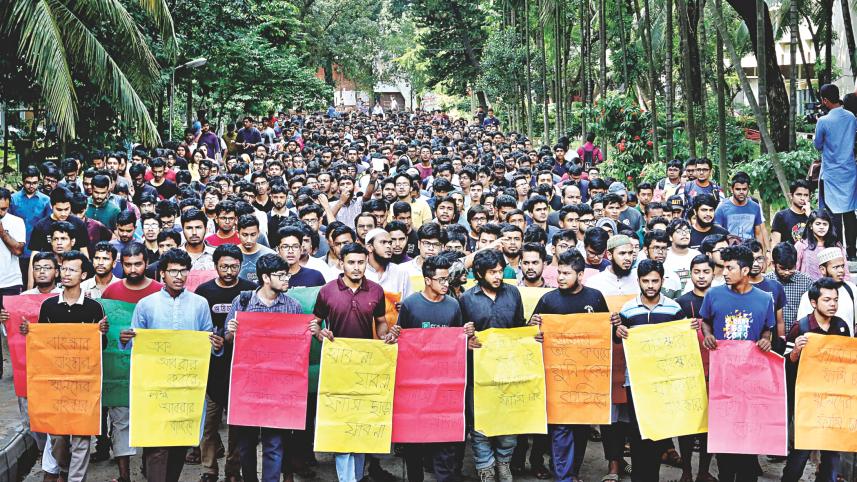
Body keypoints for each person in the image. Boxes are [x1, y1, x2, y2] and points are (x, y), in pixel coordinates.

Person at [119, 248, 224, 482]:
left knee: (179, 442)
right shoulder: (146, 305)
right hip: (154, 387)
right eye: (173, 271)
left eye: (183, 271)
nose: (179, 276)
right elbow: (135, 345)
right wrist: (125, 340)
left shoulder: (199, 304)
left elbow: (206, 342)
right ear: (162, 274)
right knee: (156, 444)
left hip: (186, 387)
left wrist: (216, 345)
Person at [310, 242, 398, 482]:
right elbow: (315, 322)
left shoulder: (376, 291)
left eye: (361, 262)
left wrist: (384, 336)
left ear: (366, 262)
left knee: (360, 424)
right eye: (351, 262)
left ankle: (356, 477)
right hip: (337, 366)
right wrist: (320, 333)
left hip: (365, 366)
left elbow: (381, 321)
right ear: (341, 263)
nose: (357, 267)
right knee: (341, 424)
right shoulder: (327, 291)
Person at [20, 251, 108, 482]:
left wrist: (101, 333)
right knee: (58, 436)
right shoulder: (49, 306)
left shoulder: (94, 308)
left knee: (81, 437)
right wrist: (29, 333)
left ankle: (76, 479)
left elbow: (101, 347)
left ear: (83, 275)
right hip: (55, 382)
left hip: (84, 383)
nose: (66, 274)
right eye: (64, 269)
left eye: (72, 270)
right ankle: (64, 469)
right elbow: (42, 344)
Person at [530, 249, 612, 482]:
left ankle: (572, 472)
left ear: (581, 275)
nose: (560, 277)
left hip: (587, 379)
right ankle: (564, 477)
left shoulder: (595, 298)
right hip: (558, 379)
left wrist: (615, 323)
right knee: (561, 428)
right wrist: (532, 327)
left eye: (567, 273)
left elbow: (606, 333)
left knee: (580, 428)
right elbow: (531, 333)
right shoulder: (548, 300)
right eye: (559, 272)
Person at [223, 254, 303, 482]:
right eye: (281, 275)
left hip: (278, 387)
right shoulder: (243, 302)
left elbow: (298, 347)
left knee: (274, 442)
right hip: (247, 385)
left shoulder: (293, 306)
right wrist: (232, 332)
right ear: (266, 278)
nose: (286, 279)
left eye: (287, 275)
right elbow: (227, 339)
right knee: (246, 443)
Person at [699, 245, 775, 482]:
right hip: (722, 378)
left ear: (745, 270)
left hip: (752, 381)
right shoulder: (713, 295)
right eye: (723, 267)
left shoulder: (765, 299)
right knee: (724, 436)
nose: (724, 272)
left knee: (749, 434)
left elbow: (767, 329)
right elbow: (705, 321)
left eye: (730, 268)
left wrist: (766, 340)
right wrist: (707, 335)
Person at [614, 259, 688, 482]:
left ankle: (652, 477)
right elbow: (617, 339)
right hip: (636, 382)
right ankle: (639, 477)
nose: (650, 285)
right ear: (638, 281)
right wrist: (617, 331)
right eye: (645, 281)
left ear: (662, 281)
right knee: (637, 433)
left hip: (664, 382)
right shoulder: (627, 309)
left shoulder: (674, 309)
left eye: (655, 281)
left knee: (657, 432)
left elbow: (682, 342)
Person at [397, 255, 464, 482]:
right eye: (441, 279)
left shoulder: (453, 305)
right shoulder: (410, 304)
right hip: (415, 386)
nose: (446, 284)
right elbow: (401, 340)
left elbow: (457, 342)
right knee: (414, 442)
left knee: (444, 442)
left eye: (448, 279)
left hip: (444, 385)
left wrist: (467, 337)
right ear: (427, 280)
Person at [460, 249, 526, 482]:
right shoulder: (466, 299)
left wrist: (532, 333)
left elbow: (519, 327)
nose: (498, 276)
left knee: (509, 420)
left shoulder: (513, 293)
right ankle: (485, 467)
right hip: (478, 372)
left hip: (508, 369)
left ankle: (503, 463)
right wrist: (467, 340)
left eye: (500, 271)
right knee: (480, 422)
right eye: (492, 272)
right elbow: (458, 335)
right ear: (479, 274)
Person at [194, 245, 256, 482]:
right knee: (209, 424)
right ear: (215, 266)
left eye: (234, 266)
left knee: (237, 425)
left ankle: (233, 470)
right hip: (211, 368)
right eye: (224, 266)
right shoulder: (204, 292)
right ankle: (209, 470)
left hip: (242, 368)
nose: (229, 271)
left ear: (241, 266)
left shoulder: (250, 291)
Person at [781, 277, 849, 482]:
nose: (832, 304)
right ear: (813, 302)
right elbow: (786, 364)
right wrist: (796, 351)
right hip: (807, 400)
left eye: (835, 300)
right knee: (802, 449)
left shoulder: (841, 326)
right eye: (827, 300)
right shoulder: (801, 327)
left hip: (834, 398)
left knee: (832, 449)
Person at [674, 255, 717, 482]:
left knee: (709, 425)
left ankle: (703, 471)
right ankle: (686, 471)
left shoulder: (721, 299)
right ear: (690, 274)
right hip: (688, 372)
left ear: (713, 273)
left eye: (706, 272)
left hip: (715, 371)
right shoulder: (681, 303)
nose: (701, 277)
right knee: (688, 424)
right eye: (696, 272)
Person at [814, 83, 857, 260]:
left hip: (831, 173)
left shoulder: (823, 121)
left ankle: (837, 251)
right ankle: (852, 253)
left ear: (825, 100)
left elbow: (817, 145)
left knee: (833, 214)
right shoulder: (851, 117)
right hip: (849, 171)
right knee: (850, 212)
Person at [796, 247, 857, 337]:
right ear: (823, 270)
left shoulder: (851, 289)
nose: (841, 270)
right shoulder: (808, 296)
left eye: (842, 266)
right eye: (836, 267)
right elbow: (803, 329)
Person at [767, 242, 814, 334]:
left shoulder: (806, 282)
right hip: (772, 335)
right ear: (773, 264)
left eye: (791, 268)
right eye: (782, 268)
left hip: (798, 334)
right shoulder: (767, 282)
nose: (787, 272)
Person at [714, 172, 766, 249]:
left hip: (750, 251)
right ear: (731, 189)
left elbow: (758, 234)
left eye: (744, 189)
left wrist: (762, 253)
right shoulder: (722, 207)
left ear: (748, 189)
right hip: (730, 251)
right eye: (738, 189)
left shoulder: (755, 207)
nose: (741, 192)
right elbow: (717, 234)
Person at [364, 228, 412, 296]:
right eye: (383, 242)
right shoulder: (361, 272)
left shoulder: (401, 272)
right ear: (369, 247)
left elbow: (409, 300)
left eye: (390, 243)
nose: (389, 246)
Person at [0, 187, 25, 301]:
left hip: (10, 282)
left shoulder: (17, 222)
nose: (0, 212)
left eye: (3, 209)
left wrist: (2, 232)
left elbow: (18, 250)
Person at [770, 180, 811, 246]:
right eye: (799, 194)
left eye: (806, 195)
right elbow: (775, 244)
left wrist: (810, 216)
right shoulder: (781, 216)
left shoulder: (813, 216)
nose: (802, 198)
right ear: (791, 196)